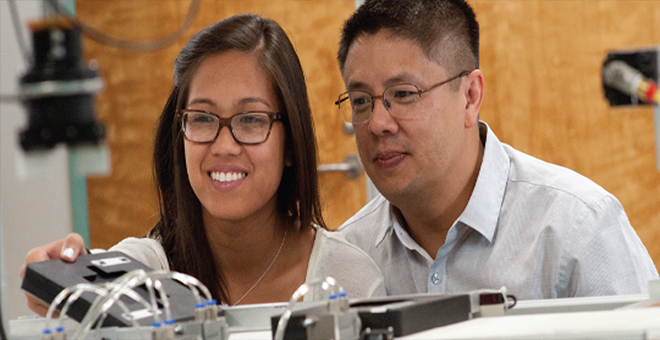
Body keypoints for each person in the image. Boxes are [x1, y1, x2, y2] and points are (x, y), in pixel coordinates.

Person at [21, 13, 385, 316]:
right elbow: (63, 287)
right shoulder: (144, 273)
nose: (223, 146)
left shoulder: (347, 278)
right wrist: (50, 274)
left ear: (291, 142)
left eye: (251, 119)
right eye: (203, 118)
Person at [335, 0, 658, 300]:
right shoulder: (348, 257)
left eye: (404, 94)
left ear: (470, 96)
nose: (377, 123)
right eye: (361, 101)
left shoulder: (576, 228)